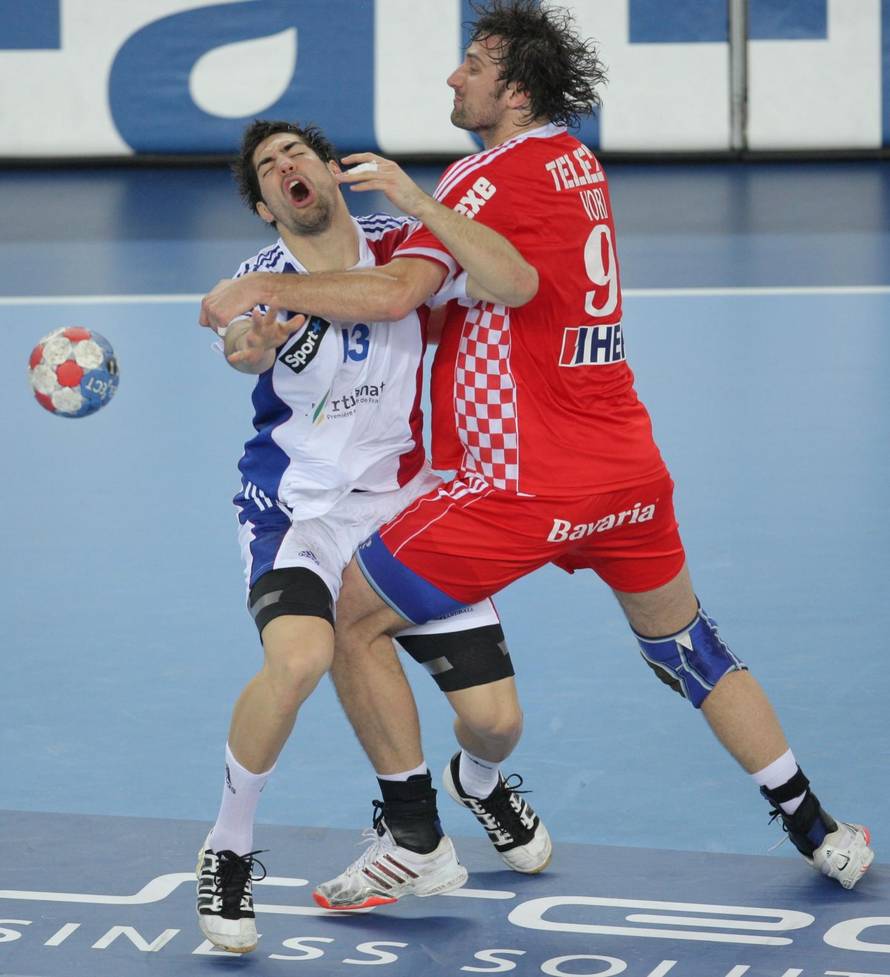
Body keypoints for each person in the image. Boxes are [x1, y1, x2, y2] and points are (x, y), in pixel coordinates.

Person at [200, 1, 874, 909]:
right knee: (688, 647)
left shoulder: (479, 181)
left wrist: (273, 274)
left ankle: (413, 837)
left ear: (514, 90)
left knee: (348, 619)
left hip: (518, 477)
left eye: (471, 64)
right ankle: (816, 827)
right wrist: (256, 327)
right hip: (629, 467)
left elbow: (406, 290)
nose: (453, 76)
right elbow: (515, 279)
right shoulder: (577, 163)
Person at [195, 117, 551, 953]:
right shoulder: (258, 277)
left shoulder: (402, 242)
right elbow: (242, 348)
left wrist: (420, 204)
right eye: (270, 167)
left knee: (497, 721)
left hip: (408, 505)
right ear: (264, 207)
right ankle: (229, 848)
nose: (289, 168)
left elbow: (499, 283)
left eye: (300, 154)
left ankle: (482, 780)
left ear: (329, 170)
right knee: (302, 657)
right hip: (299, 511)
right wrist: (254, 335)